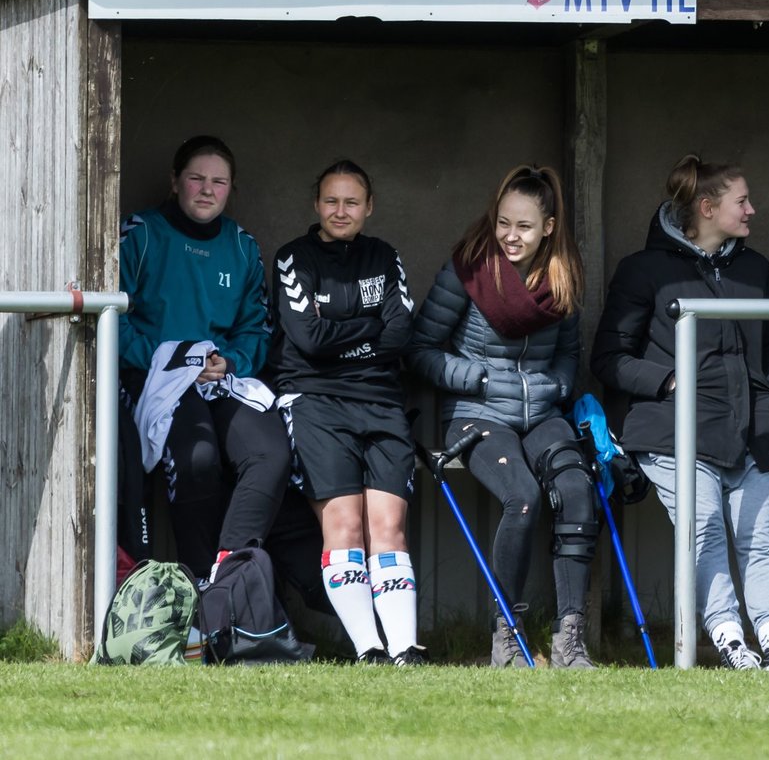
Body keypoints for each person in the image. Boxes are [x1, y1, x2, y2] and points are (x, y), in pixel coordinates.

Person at [592, 154, 769, 670]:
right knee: (706, 526)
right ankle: (731, 640)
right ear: (708, 207)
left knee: (760, 535)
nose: (752, 210)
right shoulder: (643, 270)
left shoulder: (755, 269)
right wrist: (668, 382)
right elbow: (608, 358)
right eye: (742, 201)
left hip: (751, 429)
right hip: (674, 432)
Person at [406, 165, 598, 669]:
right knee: (524, 497)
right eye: (504, 223)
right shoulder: (467, 271)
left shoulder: (563, 275)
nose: (511, 236)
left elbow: (570, 356)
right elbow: (420, 350)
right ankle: (506, 638)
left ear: (548, 229)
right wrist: (482, 380)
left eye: (525, 227)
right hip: (476, 414)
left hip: (542, 414)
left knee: (577, 490)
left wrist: (556, 384)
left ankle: (570, 640)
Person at [267, 160, 424, 666]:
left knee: (388, 527)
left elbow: (401, 333)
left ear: (369, 207)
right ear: (316, 205)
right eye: (331, 201)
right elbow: (308, 340)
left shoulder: (385, 256)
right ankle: (369, 649)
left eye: (351, 202)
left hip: (381, 402)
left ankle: (404, 649)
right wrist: (369, 329)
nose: (340, 211)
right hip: (315, 400)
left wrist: (349, 337)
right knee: (344, 525)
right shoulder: (295, 258)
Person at [118, 135, 289, 582]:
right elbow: (111, 320)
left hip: (218, 377)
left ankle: (227, 578)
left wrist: (229, 361)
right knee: (198, 458)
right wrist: (166, 359)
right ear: (175, 182)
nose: (207, 189)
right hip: (153, 377)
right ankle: (197, 583)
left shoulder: (241, 245)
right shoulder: (141, 234)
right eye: (196, 178)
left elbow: (256, 327)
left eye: (219, 181)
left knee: (270, 452)